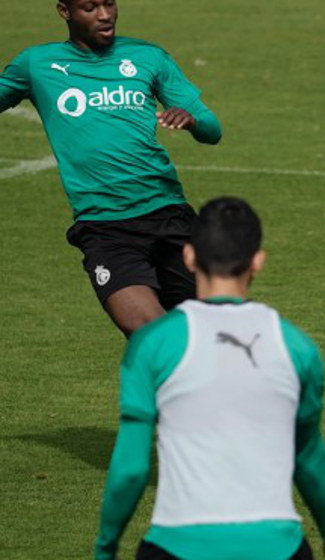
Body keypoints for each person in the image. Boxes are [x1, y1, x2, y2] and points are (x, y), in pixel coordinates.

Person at [94, 198, 325, 560]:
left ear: (188, 257)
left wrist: (105, 549)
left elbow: (132, 468)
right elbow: (308, 457)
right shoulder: (297, 348)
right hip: (277, 548)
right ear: (257, 262)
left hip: (176, 547)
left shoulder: (152, 343)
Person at [0, 0, 222, 337]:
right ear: (65, 12)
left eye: (109, 4)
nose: (104, 15)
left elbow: (212, 130)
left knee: (211, 334)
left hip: (169, 216)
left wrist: (192, 121)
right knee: (152, 333)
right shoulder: (37, 64)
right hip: (106, 229)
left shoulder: (148, 57)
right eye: (90, 7)